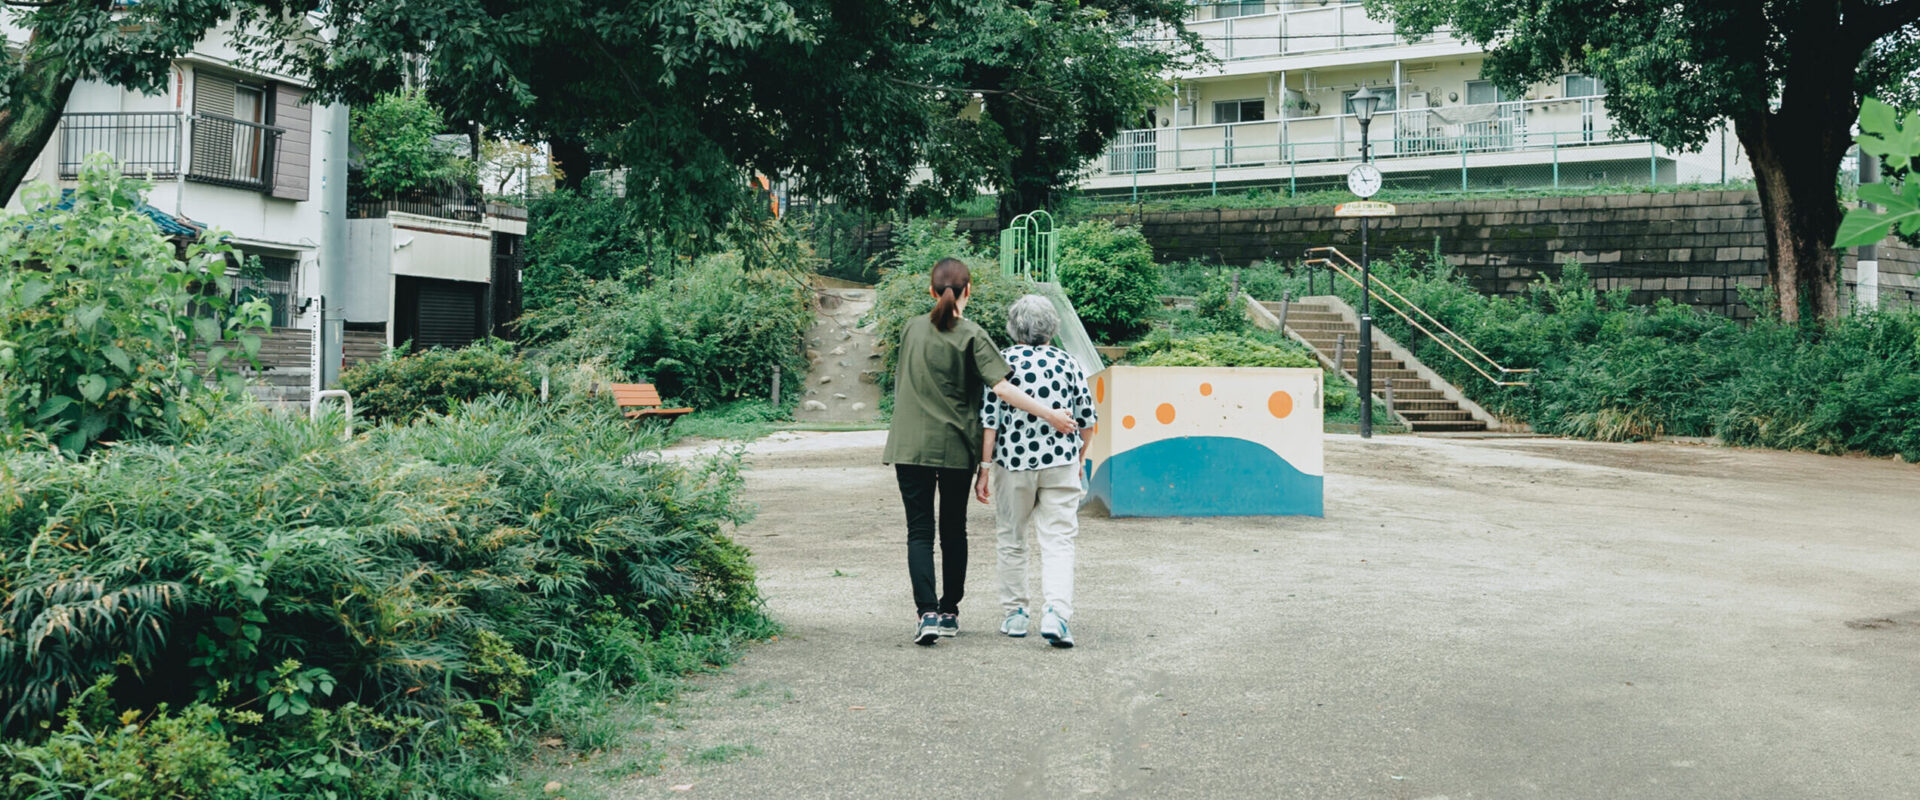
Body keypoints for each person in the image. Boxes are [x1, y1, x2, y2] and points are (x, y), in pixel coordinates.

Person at [883, 259, 1078, 647]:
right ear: (968, 290)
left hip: (908, 445)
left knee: (919, 532)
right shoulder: (972, 334)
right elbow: (1002, 388)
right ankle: (949, 612)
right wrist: (1051, 414)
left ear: (931, 291)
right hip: (955, 446)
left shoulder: (910, 328)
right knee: (953, 529)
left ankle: (926, 614)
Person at [974, 294, 1097, 648]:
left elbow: (990, 421)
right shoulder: (1068, 362)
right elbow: (1087, 420)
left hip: (1013, 463)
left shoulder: (1002, 362)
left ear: (1013, 327)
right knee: (1058, 541)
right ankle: (1056, 614)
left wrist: (984, 468)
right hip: (1060, 462)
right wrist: (1080, 458)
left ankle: (1015, 614)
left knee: (1012, 537)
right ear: (1052, 327)